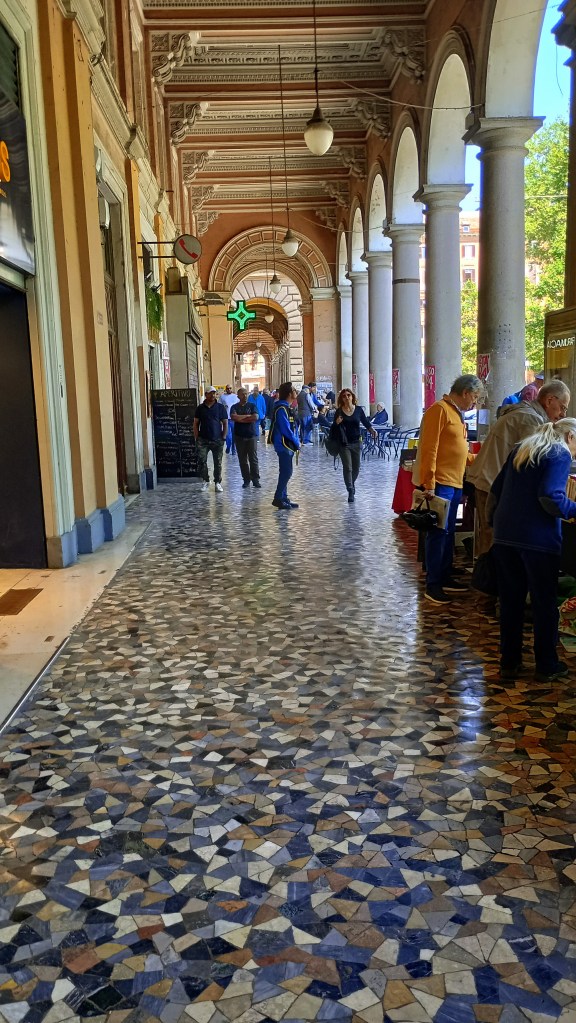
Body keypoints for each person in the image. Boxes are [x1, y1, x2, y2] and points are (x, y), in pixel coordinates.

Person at [488, 418, 576, 681]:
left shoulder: (523, 448)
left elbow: (496, 490)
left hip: (505, 536)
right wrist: (573, 510)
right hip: (537, 540)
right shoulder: (559, 452)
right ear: (570, 436)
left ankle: (509, 662)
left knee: (511, 602)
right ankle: (546, 664)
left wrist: (495, 524)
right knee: (543, 603)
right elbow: (550, 496)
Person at [467, 380, 571, 557]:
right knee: (493, 541)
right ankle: (489, 582)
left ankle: (490, 580)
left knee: (491, 538)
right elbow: (535, 463)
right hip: (491, 482)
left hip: (488, 480)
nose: (562, 414)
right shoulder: (531, 419)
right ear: (549, 400)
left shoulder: (524, 412)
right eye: (562, 407)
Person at [413, 374, 484, 604]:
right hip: (440, 483)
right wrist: (429, 484)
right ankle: (433, 584)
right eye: (474, 397)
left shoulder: (456, 413)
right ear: (465, 392)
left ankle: (444, 575)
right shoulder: (439, 410)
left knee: (448, 533)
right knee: (438, 533)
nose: (475, 403)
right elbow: (429, 449)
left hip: (454, 482)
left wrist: (478, 456)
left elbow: (458, 450)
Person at [333, 388, 376, 503]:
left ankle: (351, 484)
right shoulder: (339, 411)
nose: (346, 397)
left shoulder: (358, 410)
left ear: (352, 397)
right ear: (341, 399)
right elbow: (333, 428)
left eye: (348, 395)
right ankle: (350, 490)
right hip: (344, 443)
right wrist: (336, 423)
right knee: (348, 467)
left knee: (356, 468)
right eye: (344, 396)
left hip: (357, 442)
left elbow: (365, 422)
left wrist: (372, 430)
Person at [269, 381, 301, 510]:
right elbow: (285, 429)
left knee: (285, 471)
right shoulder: (281, 409)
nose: (296, 392)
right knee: (287, 472)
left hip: (288, 444)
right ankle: (278, 497)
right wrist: (296, 442)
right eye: (294, 390)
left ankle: (283, 497)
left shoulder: (287, 407)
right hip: (284, 445)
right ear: (289, 394)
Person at [193, 386, 228, 492]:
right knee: (202, 461)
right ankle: (206, 480)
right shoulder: (200, 408)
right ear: (206, 394)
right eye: (210, 393)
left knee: (218, 462)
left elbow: (225, 422)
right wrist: (197, 437)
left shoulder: (220, 407)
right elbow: (195, 423)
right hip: (203, 439)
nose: (213, 395)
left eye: (214, 393)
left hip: (217, 439)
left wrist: (224, 436)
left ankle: (218, 482)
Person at [230, 387, 261, 488]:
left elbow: (255, 417)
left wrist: (241, 418)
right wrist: (247, 417)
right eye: (243, 394)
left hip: (251, 435)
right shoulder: (234, 407)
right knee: (242, 460)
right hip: (239, 436)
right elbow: (234, 417)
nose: (245, 396)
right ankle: (246, 479)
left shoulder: (252, 406)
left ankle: (255, 479)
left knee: (253, 458)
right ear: (238, 396)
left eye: (246, 394)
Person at [219, 384, 238, 455]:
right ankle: (228, 446)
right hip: (225, 418)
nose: (229, 389)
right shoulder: (222, 397)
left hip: (234, 418)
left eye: (230, 388)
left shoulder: (235, 397)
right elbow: (219, 406)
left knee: (234, 434)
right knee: (227, 435)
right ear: (225, 389)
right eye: (227, 388)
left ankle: (234, 449)